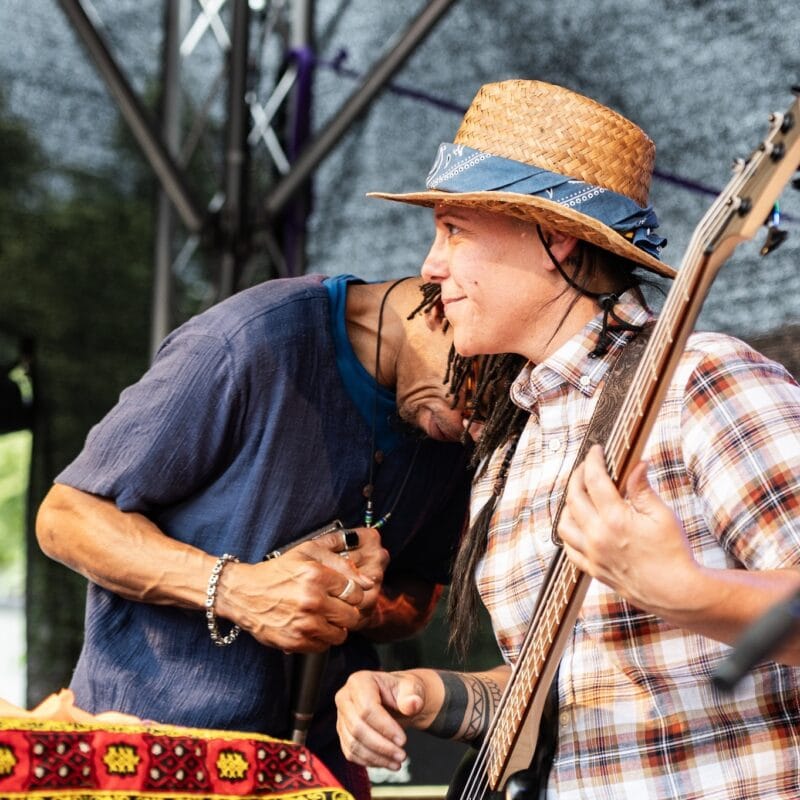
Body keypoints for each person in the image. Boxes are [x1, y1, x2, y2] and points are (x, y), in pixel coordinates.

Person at [334, 80, 800, 798]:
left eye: (454, 231)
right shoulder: (508, 454)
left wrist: (690, 593)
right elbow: (567, 692)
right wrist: (425, 693)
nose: (430, 267)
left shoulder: (701, 379)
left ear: (553, 236)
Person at [35, 272, 472, 799]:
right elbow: (66, 516)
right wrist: (236, 590)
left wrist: (359, 603)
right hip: (149, 752)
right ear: (441, 310)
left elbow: (418, 596)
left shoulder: (456, 427)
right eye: (480, 386)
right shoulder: (248, 339)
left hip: (318, 768)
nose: (479, 423)